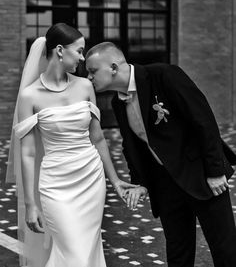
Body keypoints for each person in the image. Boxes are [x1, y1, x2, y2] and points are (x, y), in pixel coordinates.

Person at [85, 41, 236, 267]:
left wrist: (214, 171)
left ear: (113, 67)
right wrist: (140, 183)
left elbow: (203, 121)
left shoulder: (165, 75)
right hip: (165, 184)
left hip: (200, 175)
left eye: (92, 71)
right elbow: (132, 146)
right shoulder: (118, 102)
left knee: (225, 251)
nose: (88, 77)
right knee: (178, 253)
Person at [6, 24, 136, 267]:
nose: (82, 58)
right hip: (55, 185)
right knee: (73, 253)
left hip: (90, 180)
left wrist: (115, 180)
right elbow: (28, 152)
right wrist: (30, 206)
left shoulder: (86, 87)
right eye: (79, 51)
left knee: (86, 252)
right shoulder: (29, 96)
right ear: (59, 50)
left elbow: (97, 138)